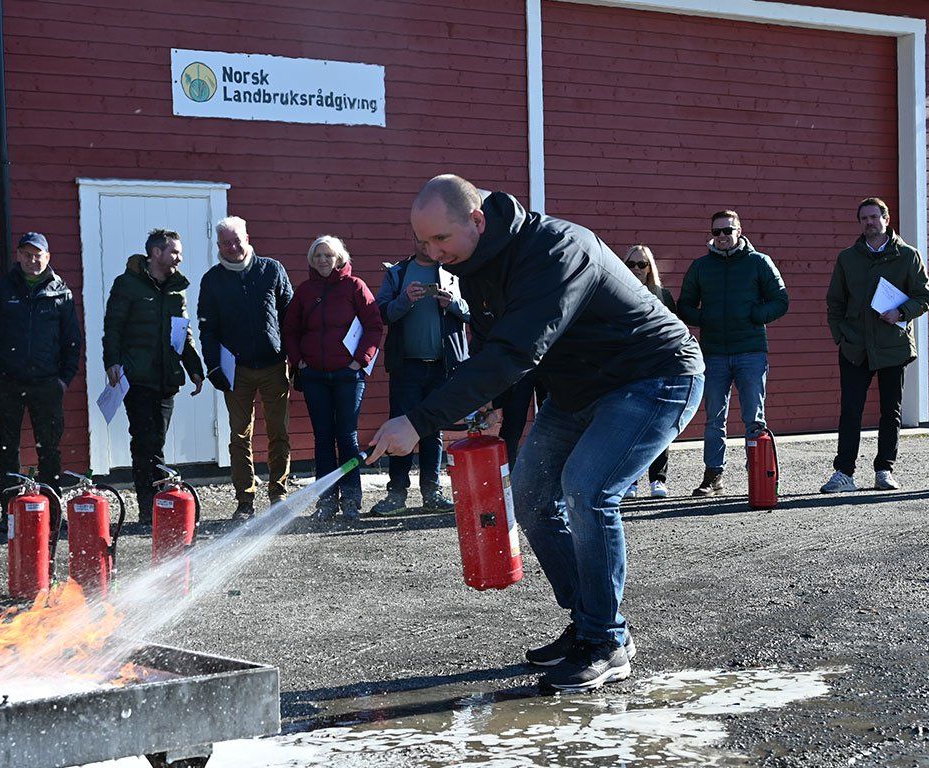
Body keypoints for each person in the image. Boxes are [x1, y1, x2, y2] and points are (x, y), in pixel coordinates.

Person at [368, 175, 704, 693]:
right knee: (529, 495)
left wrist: (418, 421)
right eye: (423, 242)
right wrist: (491, 405)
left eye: (440, 239)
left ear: (477, 220)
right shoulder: (473, 264)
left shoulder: (556, 250)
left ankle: (607, 643)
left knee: (587, 491)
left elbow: (516, 352)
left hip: (654, 376)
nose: (431, 253)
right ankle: (590, 622)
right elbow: (492, 346)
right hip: (578, 389)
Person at [821, 197, 929, 493]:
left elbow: (925, 296)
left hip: (892, 346)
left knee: (890, 411)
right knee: (850, 411)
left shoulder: (907, 256)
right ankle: (844, 473)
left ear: (886, 219)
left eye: (874, 217)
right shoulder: (848, 258)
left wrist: (901, 312)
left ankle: (884, 470)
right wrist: (841, 336)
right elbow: (835, 302)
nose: (869, 222)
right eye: (864, 218)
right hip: (854, 347)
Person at [0, 231, 82, 532]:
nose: (33, 260)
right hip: (6, 384)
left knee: (49, 450)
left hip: (47, 385)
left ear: (48, 257)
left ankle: (52, 512)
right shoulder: (0, 290)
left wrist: (63, 380)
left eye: (38, 255)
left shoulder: (60, 292)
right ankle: (9, 512)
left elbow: (72, 341)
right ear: (19, 256)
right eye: (28, 254)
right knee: (6, 449)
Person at [676, 211, 789, 497]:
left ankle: (758, 475)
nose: (722, 236)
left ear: (739, 231)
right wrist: (705, 318)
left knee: (754, 418)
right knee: (714, 417)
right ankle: (713, 475)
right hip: (714, 353)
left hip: (751, 351)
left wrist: (755, 315)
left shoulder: (758, 262)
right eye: (717, 231)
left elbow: (780, 300)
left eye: (728, 230)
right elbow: (684, 305)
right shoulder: (701, 267)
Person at [103, 228, 205, 523]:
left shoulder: (177, 288)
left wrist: (194, 368)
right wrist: (112, 361)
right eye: (174, 252)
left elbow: (182, 333)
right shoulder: (127, 284)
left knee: (156, 440)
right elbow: (113, 326)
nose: (179, 258)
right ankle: (150, 506)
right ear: (156, 253)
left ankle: (158, 504)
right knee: (144, 440)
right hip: (136, 377)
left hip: (166, 378)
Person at [198, 216, 294, 520]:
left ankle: (279, 494)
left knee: (278, 432)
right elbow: (207, 329)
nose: (232, 247)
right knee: (239, 436)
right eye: (225, 242)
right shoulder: (212, 280)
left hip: (274, 365)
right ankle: (245, 500)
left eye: (236, 240)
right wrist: (213, 367)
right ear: (218, 245)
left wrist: (294, 357)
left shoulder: (272, 270)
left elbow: (290, 316)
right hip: (235, 370)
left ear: (247, 238)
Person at [282, 235, 382, 521]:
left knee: (347, 437)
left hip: (348, 376)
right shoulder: (305, 291)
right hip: (314, 376)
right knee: (323, 438)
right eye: (318, 255)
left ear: (339, 258)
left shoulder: (355, 286)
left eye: (328, 255)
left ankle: (351, 499)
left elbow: (374, 325)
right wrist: (298, 360)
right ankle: (326, 501)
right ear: (312, 260)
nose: (323, 260)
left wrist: (360, 360)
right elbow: (290, 329)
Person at [369, 243, 468, 515]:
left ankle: (432, 492)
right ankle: (397, 493)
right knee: (399, 426)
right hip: (406, 367)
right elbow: (381, 313)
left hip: (443, 366)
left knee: (433, 429)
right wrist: (405, 300)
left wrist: (453, 303)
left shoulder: (454, 272)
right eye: (421, 240)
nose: (426, 245)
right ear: (415, 239)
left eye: (430, 241)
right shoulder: (398, 273)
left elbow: (472, 312)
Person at [620, 244, 677, 499]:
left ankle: (658, 479)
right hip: (628, 369)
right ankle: (630, 481)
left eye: (641, 264)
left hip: (658, 368)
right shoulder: (616, 292)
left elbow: (674, 333)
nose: (636, 269)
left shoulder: (663, 296)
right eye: (631, 264)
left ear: (649, 267)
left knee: (659, 426)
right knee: (629, 428)